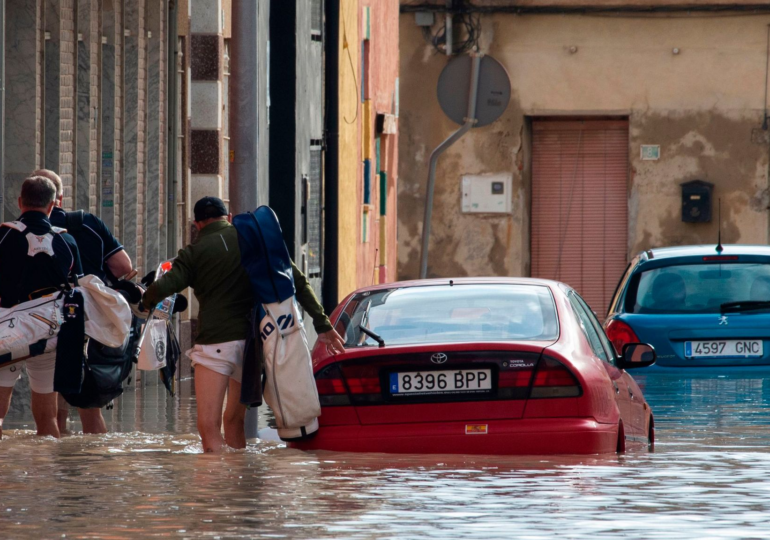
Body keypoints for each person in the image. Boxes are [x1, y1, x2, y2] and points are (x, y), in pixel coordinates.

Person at [141, 196, 346, 453]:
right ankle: (238, 480)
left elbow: (165, 286)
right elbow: (299, 281)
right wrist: (323, 324)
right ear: (228, 217)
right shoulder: (256, 240)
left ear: (197, 224)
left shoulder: (193, 253)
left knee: (208, 425)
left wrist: (145, 301)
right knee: (234, 420)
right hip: (253, 347)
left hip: (215, 346)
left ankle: (218, 487)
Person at [33, 169, 134, 435]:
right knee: (89, 407)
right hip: (87, 324)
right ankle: (93, 469)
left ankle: (56, 470)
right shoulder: (87, 223)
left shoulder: (23, 229)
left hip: (44, 324)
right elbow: (123, 265)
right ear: (59, 198)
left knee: (53, 409)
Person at [0, 175, 83, 438]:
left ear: (20, 202)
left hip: (6, 335)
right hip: (48, 334)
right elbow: (76, 290)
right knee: (48, 420)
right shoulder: (66, 242)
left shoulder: (3, 236)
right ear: (52, 206)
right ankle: (46, 475)